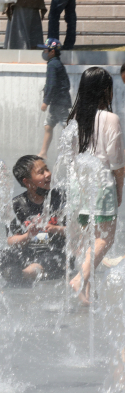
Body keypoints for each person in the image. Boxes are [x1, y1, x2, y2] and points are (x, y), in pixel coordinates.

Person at [67, 67, 125, 305]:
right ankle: (80, 277)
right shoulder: (111, 119)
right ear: (105, 91)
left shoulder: (73, 118)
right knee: (105, 239)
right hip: (101, 182)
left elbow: (70, 158)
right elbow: (117, 162)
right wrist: (119, 190)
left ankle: (85, 295)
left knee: (86, 239)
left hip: (77, 184)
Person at [0, 155, 67, 287]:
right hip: (27, 251)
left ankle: (23, 275)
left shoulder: (61, 198)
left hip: (56, 252)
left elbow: (78, 231)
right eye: (41, 173)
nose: (48, 174)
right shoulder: (17, 205)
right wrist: (28, 235)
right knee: (4, 254)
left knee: (49, 259)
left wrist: (56, 229)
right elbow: (11, 240)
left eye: (47, 169)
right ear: (27, 182)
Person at [37, 38, 72, 159]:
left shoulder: (53, 65)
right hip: (59, 102)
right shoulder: (57, 63)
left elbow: (51, 84)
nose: (44, 52)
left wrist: (46, 102)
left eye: (46, 50)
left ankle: (73, 153)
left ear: (52, 52)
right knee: (49, 125)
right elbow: (66, 83)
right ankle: (43, 152)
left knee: (67, 127)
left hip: (59, 103)